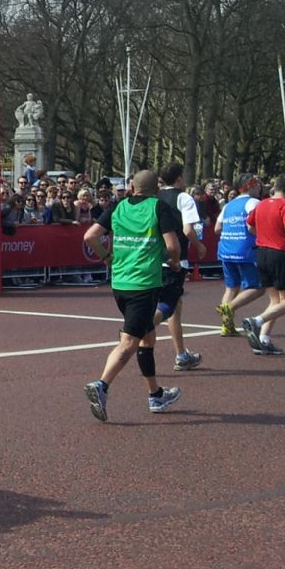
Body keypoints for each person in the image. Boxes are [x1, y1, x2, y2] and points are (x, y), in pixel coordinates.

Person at [80, 169, 184, 422]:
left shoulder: (118, 207)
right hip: (144, 284)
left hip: (120, 282)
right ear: (156, 188)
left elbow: (90, 236)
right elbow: (171, 245)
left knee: (148, 338)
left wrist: (107, 258)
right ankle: (102, 385)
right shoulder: (158, 208)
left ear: (132, 187)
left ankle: (156, 394)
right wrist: (175, 262)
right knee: (129, 341)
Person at [242, 173, 285, 356]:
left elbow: (249, 225)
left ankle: (264, 339)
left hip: (262, 253)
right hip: (280, 254)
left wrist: (266, 233)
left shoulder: (262, 203)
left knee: (275, 301)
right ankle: (257, 321)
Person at [155, 163, 203, 371]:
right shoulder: (184, 198)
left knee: (174, 305)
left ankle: (181, 353)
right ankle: (137, 330)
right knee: (169, 306)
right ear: (179, 178)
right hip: (175, 257)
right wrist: (199, 245)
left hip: (154, 257)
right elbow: (187, 229)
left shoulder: (154, 197)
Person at [214, 175, 264, 336]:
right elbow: (254, 224)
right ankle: (230, 307)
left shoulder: (229, 205)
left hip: (226, 249)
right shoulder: (253, 203)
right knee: (257, 287)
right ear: (250, 186)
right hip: (245, 250)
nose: (260, 188)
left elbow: (217, 228)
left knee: (231, 287)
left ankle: (226, 326)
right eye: (257, 185)